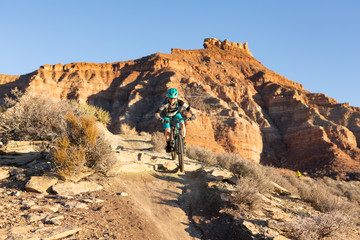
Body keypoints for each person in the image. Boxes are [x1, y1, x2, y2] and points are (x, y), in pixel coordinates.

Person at [155, 88, 196, 152]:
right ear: (168, 97)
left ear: (176, 98)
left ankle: (182, 141)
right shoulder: (164, 103)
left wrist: (193, 114)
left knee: (182, 123)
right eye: (171, 98)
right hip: (167, 116)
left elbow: (188, 108)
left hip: (176, 115)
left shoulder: (179, 101)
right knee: (167, 131)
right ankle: (168, 145)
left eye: (174, 98)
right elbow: (157, 113)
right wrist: (160, 118)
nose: (172, 100)